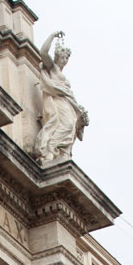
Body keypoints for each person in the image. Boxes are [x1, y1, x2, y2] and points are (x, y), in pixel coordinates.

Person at [32, 31, 89, 166]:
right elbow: (43, 52)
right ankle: (49, 150)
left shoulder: (61, 75)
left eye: (67, 58)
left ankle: (60, 153)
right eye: (63, 57)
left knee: (70, 127)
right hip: (58, 102)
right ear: (58, 56)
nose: (65, 60)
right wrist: (52, 35)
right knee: (66, 125)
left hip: (67, 103)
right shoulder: (52, 68)